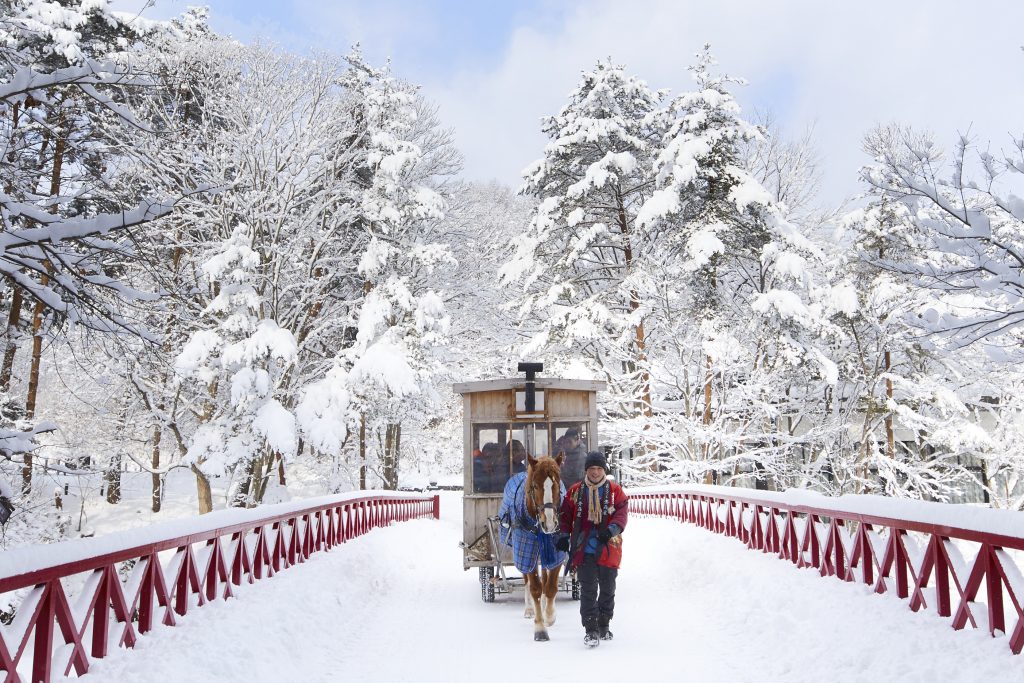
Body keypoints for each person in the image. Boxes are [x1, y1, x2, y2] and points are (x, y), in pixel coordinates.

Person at [555, 450, 628, 648]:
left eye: (598, 468)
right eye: (591, 468)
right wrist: (563, 536)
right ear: (586, 470)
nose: (595, 472)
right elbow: (565, 517)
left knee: (608, 589)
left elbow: (622, 514)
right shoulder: (575, 491)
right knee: (587, 590)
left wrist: (611, 529)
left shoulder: (615, 491)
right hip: (584, 548)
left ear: (604, 469)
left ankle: (604, 623)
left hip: (608, 548)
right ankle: (591, 629)